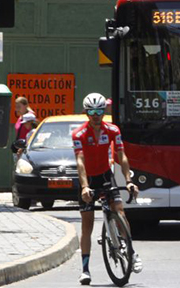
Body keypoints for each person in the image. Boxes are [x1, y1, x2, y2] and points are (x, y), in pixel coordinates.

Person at [72, 92, 142, 285]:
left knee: (119, 212)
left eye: (99, 111)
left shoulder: (112, 130)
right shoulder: (79, 134)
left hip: (105, 176)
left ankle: (131, 251)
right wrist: (85, 187)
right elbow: (80, 161)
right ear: (86, 112)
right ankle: (85, 270)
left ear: (104, 111)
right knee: (87, 225)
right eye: (92, 111)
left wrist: (128, 180)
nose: (96, 115)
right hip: (88, 179)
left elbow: (122, 155)